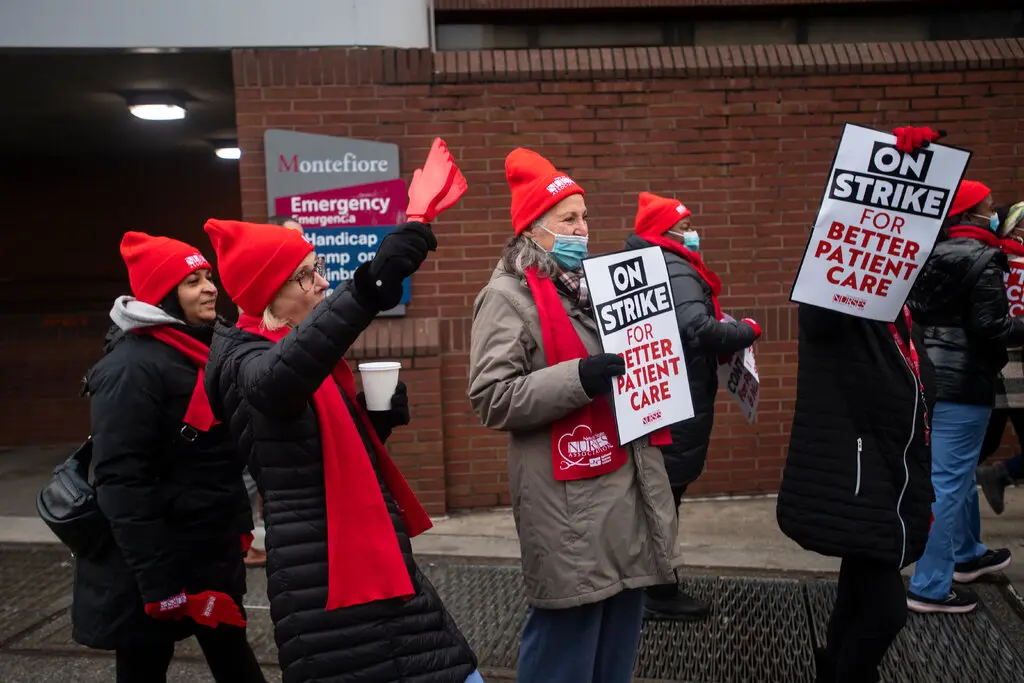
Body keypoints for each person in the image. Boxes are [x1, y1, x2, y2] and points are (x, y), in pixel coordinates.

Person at [203, 140, 483, 683]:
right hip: (326, 581)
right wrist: (374, 280)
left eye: (320, 268)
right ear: (268, 295)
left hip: (365, 560)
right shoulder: (246, 359)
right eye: (306, 275)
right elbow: (279, 382)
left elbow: (303, 445)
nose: (322, 282)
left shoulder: (280, 348)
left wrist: (373, 423)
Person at [468, 148, 679, 683]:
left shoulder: (596, 290)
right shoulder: (507, 298)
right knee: (566, 649)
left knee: (614, 648)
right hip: (569, 508)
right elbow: (491, 397)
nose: (583, 229)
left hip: (623, 495)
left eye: (585, 217)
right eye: (569, 219)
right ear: (532, 231)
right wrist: (581, 378)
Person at [778, 126, 941, 683]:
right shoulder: (836, 307)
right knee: (886, 613)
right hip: (858, 481)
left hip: (885, 483)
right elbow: (838, 257)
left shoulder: (897, 312)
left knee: (856, 597)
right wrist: (876, 186)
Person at [73, 232, 264, 683]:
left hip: (206, 550)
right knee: (143, 667)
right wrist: (159, 586)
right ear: (165, 295)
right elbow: (121, 481)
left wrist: (238, 527)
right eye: (192, 280)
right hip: (150, 565)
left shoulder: (202, 349)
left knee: (233, 657)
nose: (210, 287)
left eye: (208, 276)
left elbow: (216, 459)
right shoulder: (130, 368)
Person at [624, 191, 760, 621]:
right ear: (665, 233)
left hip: (664, 397)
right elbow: (696, 327)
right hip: (676, 401)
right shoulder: (674, 266)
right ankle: (658, 594)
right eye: (684, 227)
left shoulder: (649, 264)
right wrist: (744, 330)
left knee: (658, 495)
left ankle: (653, 586)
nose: (692, 233)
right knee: (665, 497)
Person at [906, 181, 1024, 614]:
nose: (994, 213)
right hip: (964, 381)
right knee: (948, 482)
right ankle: (931, 586)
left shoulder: (927, 254)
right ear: (971, 213)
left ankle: (968, 552)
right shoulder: (983, 257)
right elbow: (993, 326)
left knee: (955, 473)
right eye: (989, 207)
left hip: (932, 378)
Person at [976, 201, 1024, 513]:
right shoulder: (1014, 263)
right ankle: (1000, 475)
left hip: (991, 367)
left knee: (982, 443)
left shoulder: (989, 260)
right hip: (1014, 367)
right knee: (980, 443)